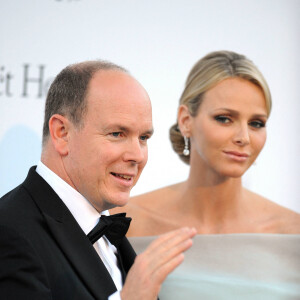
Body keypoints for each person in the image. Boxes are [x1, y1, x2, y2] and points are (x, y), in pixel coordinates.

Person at [0, 60, 196, 300]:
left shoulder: (109, 232)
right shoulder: (8, 230)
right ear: (62, 133)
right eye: (117, 134)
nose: (137, 155)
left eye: (143, 137)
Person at [111, 51, 300, 299]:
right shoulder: (123, 224)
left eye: (256, 123)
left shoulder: (292, 234)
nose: (244, 137)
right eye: (224, 118)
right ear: (186, 120)